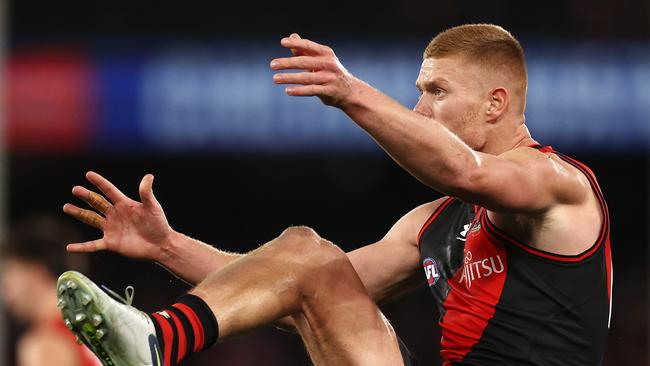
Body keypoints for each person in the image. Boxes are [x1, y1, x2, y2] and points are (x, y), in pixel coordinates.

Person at [59, 24, 612, 366]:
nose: (419, 109)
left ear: (495, 104)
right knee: (306, 254)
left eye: (435, 92)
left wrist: (352, 92)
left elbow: (464, 170)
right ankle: (160, 338)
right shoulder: (431, 223)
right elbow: (286, 288)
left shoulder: (559, 183)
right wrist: (167, 247)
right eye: (418, 92)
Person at [0, 215, 101, 366]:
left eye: (11, 272)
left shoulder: (44, 345)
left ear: (36, 272)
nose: (5, 290)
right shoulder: (98, 331)